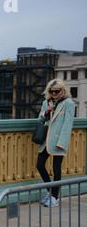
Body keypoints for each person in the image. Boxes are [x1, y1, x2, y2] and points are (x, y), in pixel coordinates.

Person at [37, 79, 75, 208]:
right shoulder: (46, 103)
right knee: (40, 165)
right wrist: (47, 112)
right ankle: (51, 193)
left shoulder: (69, 103)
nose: (54, 93)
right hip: (46, 140)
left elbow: (68, 124)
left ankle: (54, 197)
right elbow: (40, 119)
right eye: (51, 91)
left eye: (56, 91)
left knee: (56, 168)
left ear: (63, 90)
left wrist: (62, 142)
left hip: (59, 140)